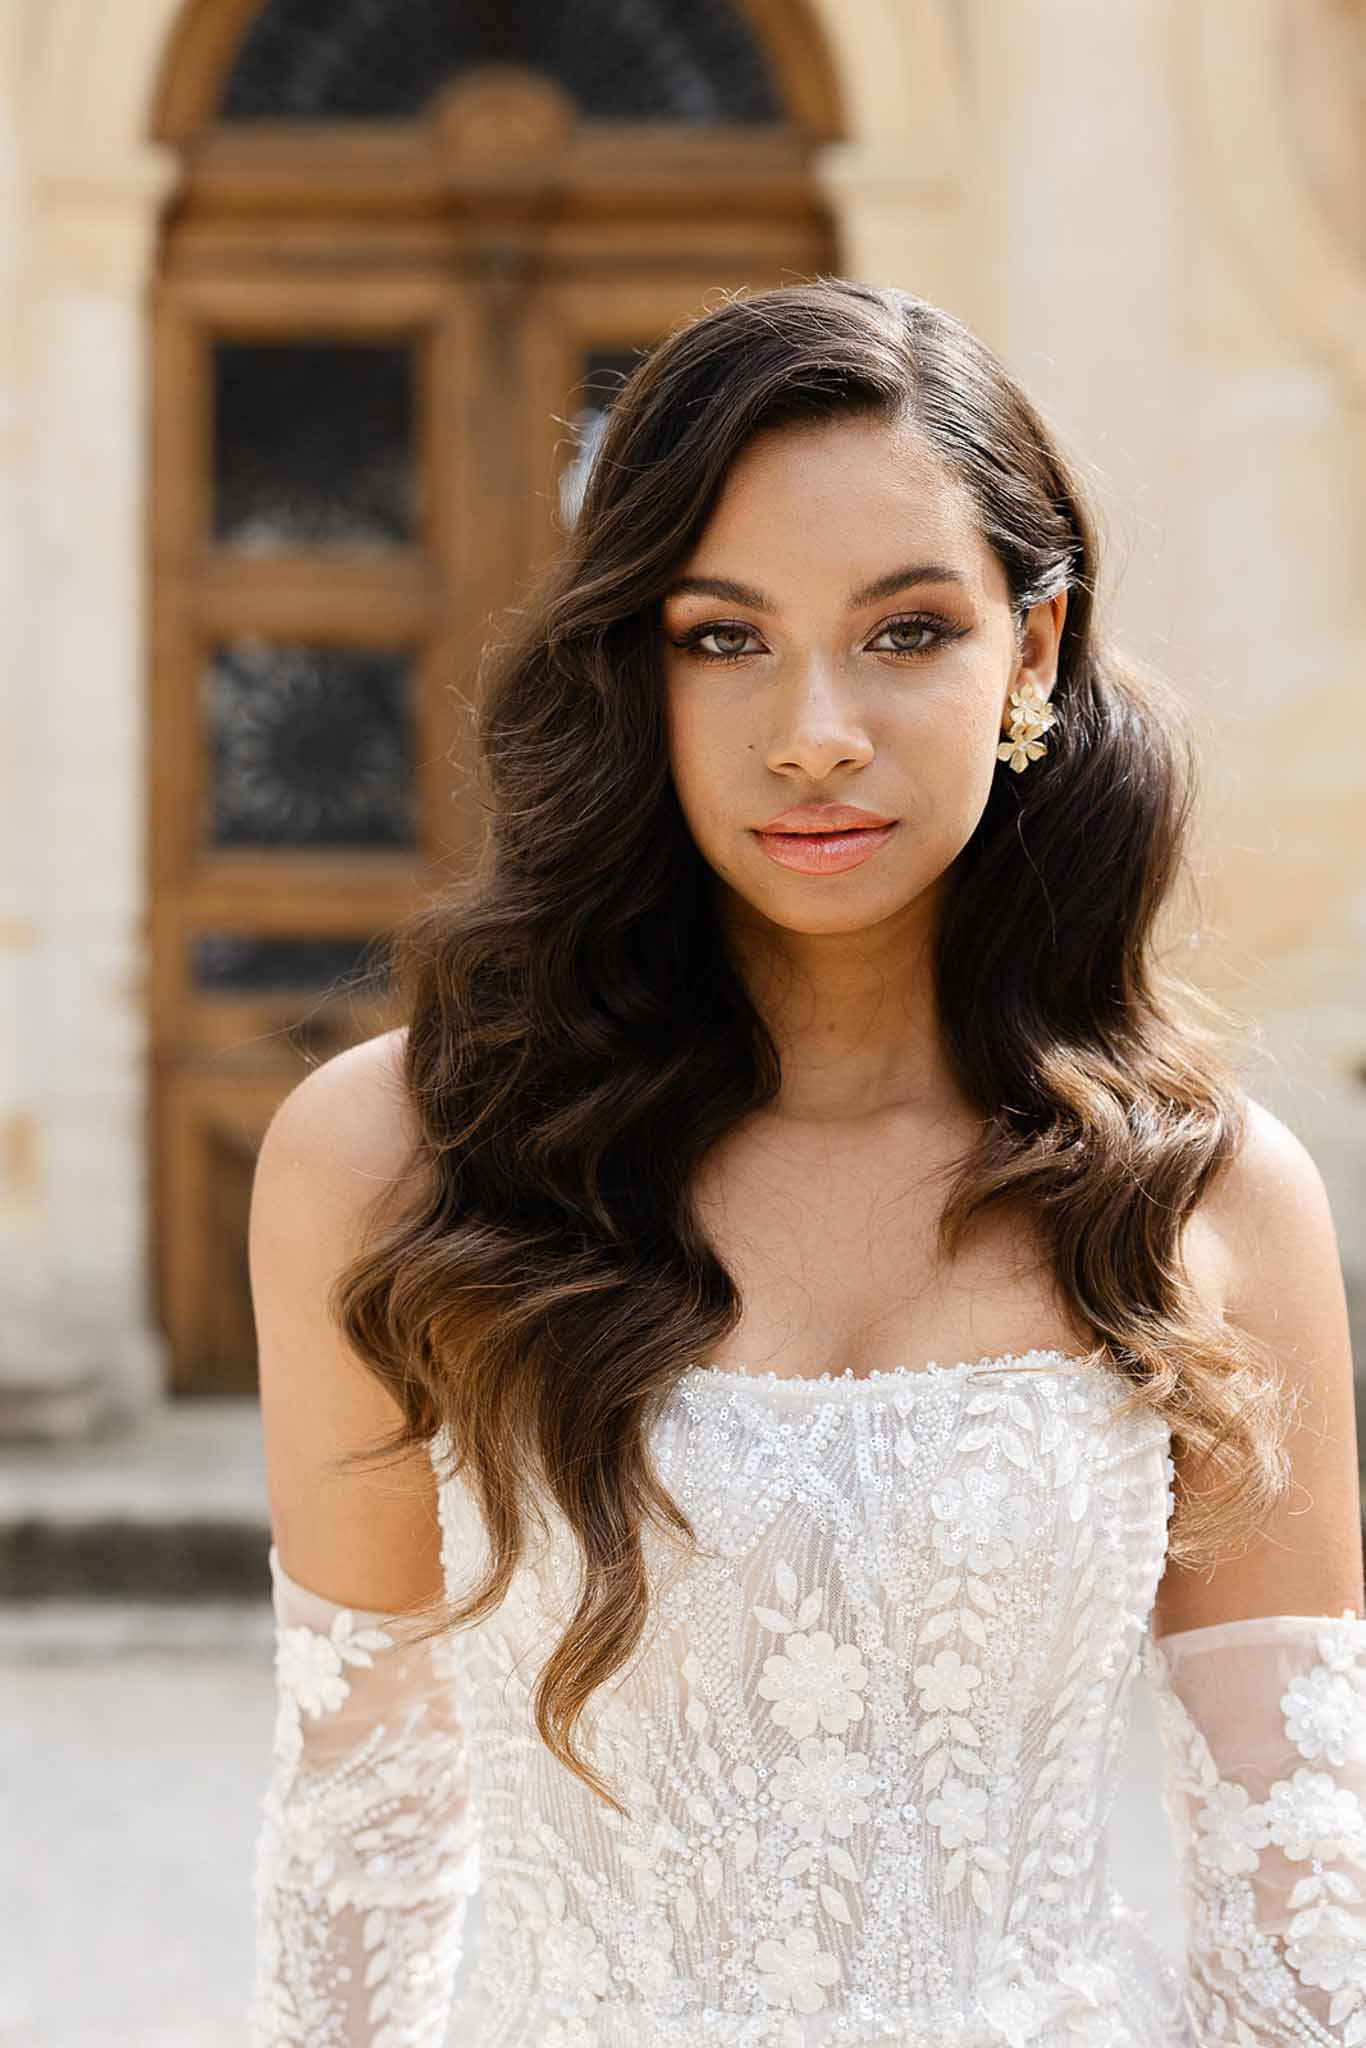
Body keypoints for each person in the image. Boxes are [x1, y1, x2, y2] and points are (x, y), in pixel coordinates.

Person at [245, 279, 1366, 2047]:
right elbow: (360, 1850)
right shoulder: (395, 1161)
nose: (815, 727)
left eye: (906, 630)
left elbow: (1297, 1890)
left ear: (1035, 650)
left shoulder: (1207, 1197)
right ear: (636, 666)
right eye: (722, 636)